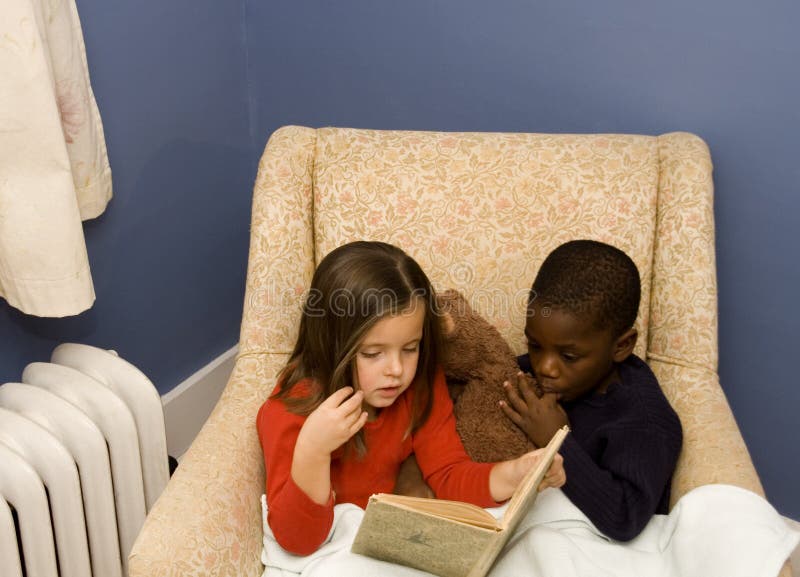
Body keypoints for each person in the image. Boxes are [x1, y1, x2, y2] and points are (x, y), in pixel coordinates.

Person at [257, 241, 566, 556]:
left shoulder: (417, 386)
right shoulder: (291, 409)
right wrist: (313, 450)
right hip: (330, 547)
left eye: (410, 348)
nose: (396, 370)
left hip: (393, 540)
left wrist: (516, 473)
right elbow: (296, 541)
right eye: (373, 353)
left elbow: (450, 475)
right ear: (331, 345)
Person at [500, 239, 682, 541]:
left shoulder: (643, 420)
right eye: (534, 345)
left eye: (568, 356)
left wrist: (557, 440)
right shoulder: (532, 372)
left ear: (621, 346)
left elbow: (626, 517)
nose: (545, 367)